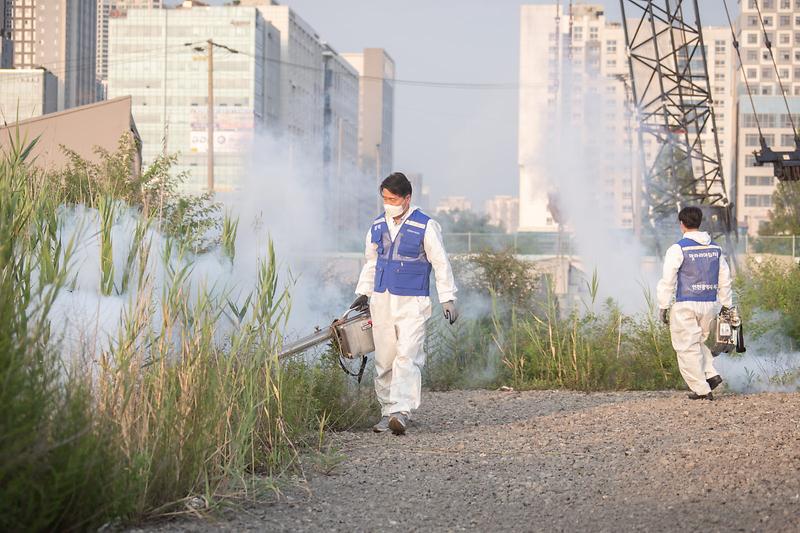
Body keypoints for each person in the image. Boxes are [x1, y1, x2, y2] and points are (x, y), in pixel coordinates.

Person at [351, 172, 458, 435]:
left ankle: (401, 411)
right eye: (384, 198)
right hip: (382, 300)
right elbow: (371, 262)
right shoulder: (377, 225)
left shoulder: (426, 226)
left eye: (392, 198)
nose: (388, 203)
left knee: (407, 356)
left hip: (413, 301)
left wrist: (448, 298)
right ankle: (387, 412)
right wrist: (364, 292)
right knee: (385, 358)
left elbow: (440, 263)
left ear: (407, 198)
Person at [656, 206, 732, 401]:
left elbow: (668, 279)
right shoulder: (715, 249)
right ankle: (711, 373)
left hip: (686, 304)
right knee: (697, 342)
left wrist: (663, 305)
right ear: (699, 222)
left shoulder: (678, 249)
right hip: (709, 304)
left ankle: (702, 389)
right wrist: (726, 305)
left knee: (685, 347)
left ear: (682, 225)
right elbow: (725, 279)